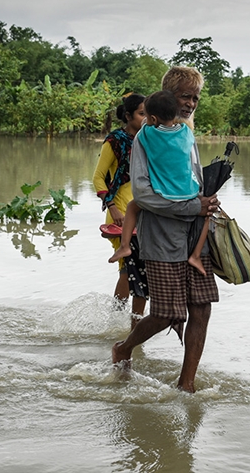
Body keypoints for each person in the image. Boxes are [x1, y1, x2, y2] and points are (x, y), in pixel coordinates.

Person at [111, 67, 220, 393]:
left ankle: (186, 384)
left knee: (201, 308)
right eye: (185, 96)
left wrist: (207, 200)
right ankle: (124, 348)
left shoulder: (186, 133)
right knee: (166, 313)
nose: (190, 103)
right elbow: (142, 195)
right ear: (169, 98)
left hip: (194, 234)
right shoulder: (146, 138)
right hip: (160, 238)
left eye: (195, 98)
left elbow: (192, 179)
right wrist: (191, 206)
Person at [108, 90, 208, 276]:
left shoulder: (146, 135)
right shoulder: (186, 133)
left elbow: (147, 129)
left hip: (164, 192)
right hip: (191, 192)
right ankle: (196, 255)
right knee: (208, 213)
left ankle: (124, 246)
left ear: (152, 118)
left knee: (132, 206)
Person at [93, 93, 148, 327]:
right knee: (128, 267)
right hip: (121, 209)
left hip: (144, 209)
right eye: (141, 113)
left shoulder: (148, 139)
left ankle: (129, 324)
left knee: (137, 267)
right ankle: (120, 321)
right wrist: (113, 208)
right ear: (128, 116)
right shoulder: (114, 141)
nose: (145, 118)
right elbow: (97, 178)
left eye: (148, 114)